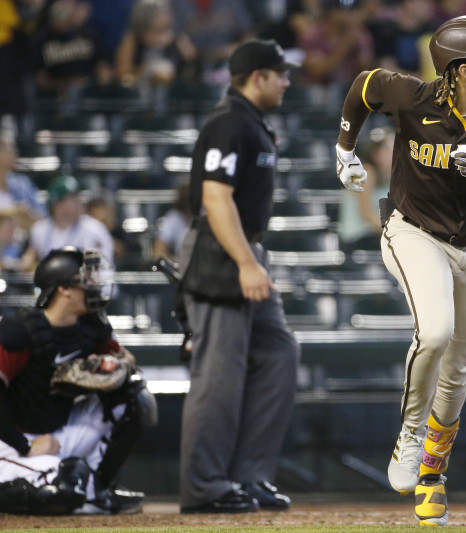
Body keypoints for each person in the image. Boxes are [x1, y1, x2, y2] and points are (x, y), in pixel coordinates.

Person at [335, 14, 466, 526]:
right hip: (413, 230)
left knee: (457, 369)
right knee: (434, 332)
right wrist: (344, 149)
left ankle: (432, 475)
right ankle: (410, 434)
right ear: (461, 69)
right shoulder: (414, 97)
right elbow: (363, 87)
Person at [177, 38, 300, 514]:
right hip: (220, 251)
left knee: (278, 353)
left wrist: (253, 258)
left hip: (246, 249)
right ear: (258, 77)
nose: (287, 82)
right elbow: (215, 197)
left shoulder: (251, 123)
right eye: (280, 74)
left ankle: (249, 477)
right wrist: (246, 263)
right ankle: (205, 486)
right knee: (219, 373)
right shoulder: (229, 122)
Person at [0, 246, 156, 514]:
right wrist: (24, 445)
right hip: (13, 440)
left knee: (134, 396)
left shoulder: (91, 327)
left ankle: (96, 489)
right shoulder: (18, 332)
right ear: (64, 289)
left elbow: (127, 362)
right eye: (86, 279)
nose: (95, 285)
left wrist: (109, 367)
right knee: (59, 491)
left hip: (61, 431)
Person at [16, 174, 114, 272]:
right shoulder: (40, 229)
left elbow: (103, 270)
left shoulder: (95, 230)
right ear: (57, 204)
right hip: (51, 284)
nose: (80, 202)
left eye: (78, 197)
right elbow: (29, 260)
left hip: (85, 285)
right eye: (73, 198)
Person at [337, 126, 392, 252]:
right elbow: (366, 213)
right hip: (358, 239)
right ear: (376, 153)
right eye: (389, 150)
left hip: (374, 236)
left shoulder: (388, 178)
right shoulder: (365, 173)